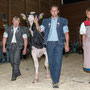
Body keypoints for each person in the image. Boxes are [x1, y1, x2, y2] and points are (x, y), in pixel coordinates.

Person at [34, 5, 69, 88]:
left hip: (59, 44)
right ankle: (54, 79)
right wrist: (36, 23)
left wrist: (67, 44)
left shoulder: (63, 21)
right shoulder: (46, 21)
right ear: (50, 12)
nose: (54, 12)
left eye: (55, 10)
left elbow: (66, 33)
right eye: (52, 10)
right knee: (51, 63)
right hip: (49, 44)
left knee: (58, 62)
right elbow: (40, 29)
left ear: (58, 11)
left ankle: (55, 81)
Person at [3, 16, 27, 81]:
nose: (16, 24)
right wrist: (3, 47)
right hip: (10, 46)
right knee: (12, 61)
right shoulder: (7, 28)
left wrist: (25, 48)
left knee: (16, 61)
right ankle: (18, 72)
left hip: (18, 47)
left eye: (17, 22)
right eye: (14, 22)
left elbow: (25, 39)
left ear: (19, 22)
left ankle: (14, 75)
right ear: (12, 22)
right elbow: (4, 38)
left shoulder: (23, 29)